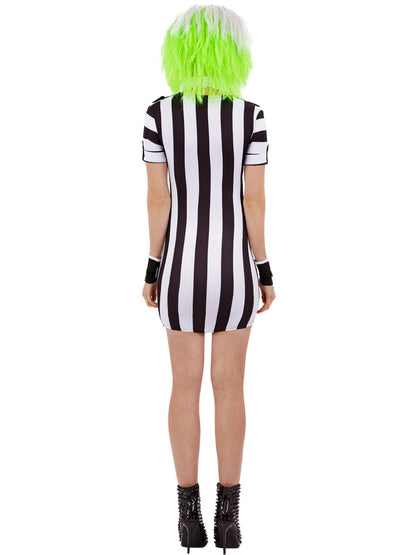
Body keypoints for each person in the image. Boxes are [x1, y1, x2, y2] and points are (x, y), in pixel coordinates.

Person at [141, 5, 276, 552]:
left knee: (183, 387)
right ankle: (229, 517)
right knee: (230, 389)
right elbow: (253, 201)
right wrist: (264, 269)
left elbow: (158, 199)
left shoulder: (158, 114)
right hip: (234, 272)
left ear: (180, 52)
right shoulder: (251, 116)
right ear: (233, 53)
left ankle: (187, 518)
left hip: (179, 270)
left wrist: (152, 267)